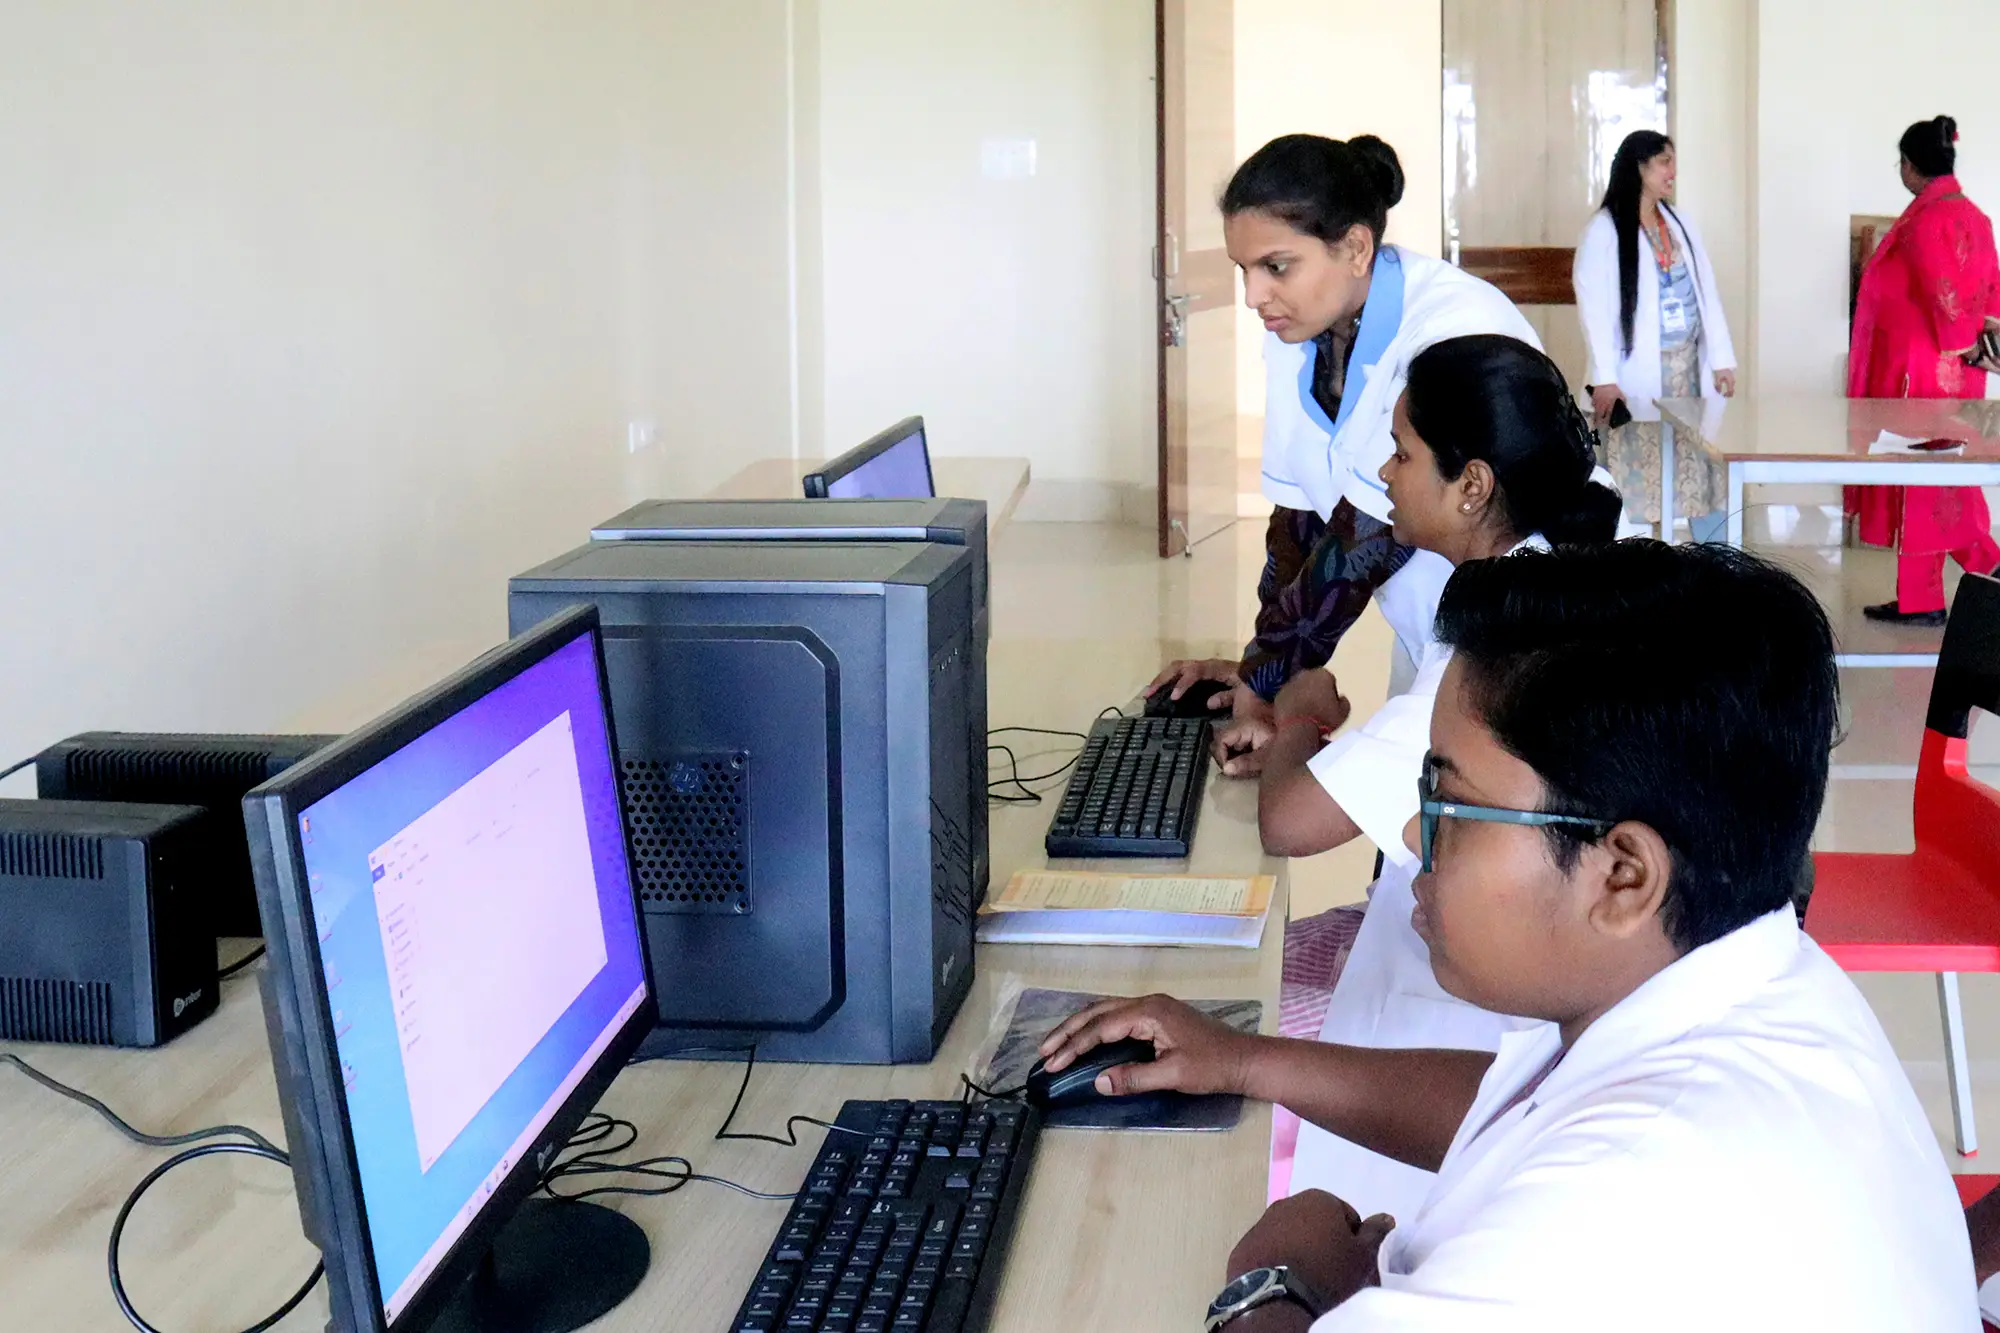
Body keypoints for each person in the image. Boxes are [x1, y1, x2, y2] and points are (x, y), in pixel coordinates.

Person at [1042, 543, 1978, 1329]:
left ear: (1623, 874)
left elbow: (1576, 1156)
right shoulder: (1744, 975)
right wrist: (1246, 1061)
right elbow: (1517, 1102)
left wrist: (1278, 1280)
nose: (1415, 836)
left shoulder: (1622, 1199)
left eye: (1448, 801)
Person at [1244, 334, 1623, 1222]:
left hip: (1476, 1033)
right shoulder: (1546, 576)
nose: (1384, 468)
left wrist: (1302, 711)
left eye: (1404, 451)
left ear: (1474, 485)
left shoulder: (1499, 647)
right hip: (1516, 973)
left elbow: (1291, 822)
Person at [1151, 134, 1536, 763]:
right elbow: (1297, 522)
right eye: (1243, 270)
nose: (1253, 297)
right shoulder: (1298, 330)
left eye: (1276, 267)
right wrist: (1260, 668)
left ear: (1356, 247)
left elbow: (1367, 540)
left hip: (1522, 635)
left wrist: (1266, 677)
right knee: (1413, 831)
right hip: (1431, 628)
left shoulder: (1448, 330)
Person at [1848, 114, 2000, 626]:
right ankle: (1940, 587)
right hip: (1953, 372)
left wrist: (1956, 348)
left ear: (1912, 167)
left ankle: (1960, 578)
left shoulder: (1930, 220)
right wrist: (1975, 354)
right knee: (1940, 483)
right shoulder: (1974, 215)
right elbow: (1990, 292)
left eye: (1901, 163)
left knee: (1923, 483)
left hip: (1926, 373)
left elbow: (1947, 296)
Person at [1573, 129, 1738, 542]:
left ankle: (1720, 567)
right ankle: (1637, 567)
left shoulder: (1678, 222)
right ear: (1639, 167)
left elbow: (1707, 292)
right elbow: (1594, 311)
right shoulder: (1604, 230)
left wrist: (1721, 359)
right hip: (1635, 380)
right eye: (1665, 162)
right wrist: (1604, 377)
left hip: (1686, 374)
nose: (1673, 172)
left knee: (1702, 474)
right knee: (1638, 480)